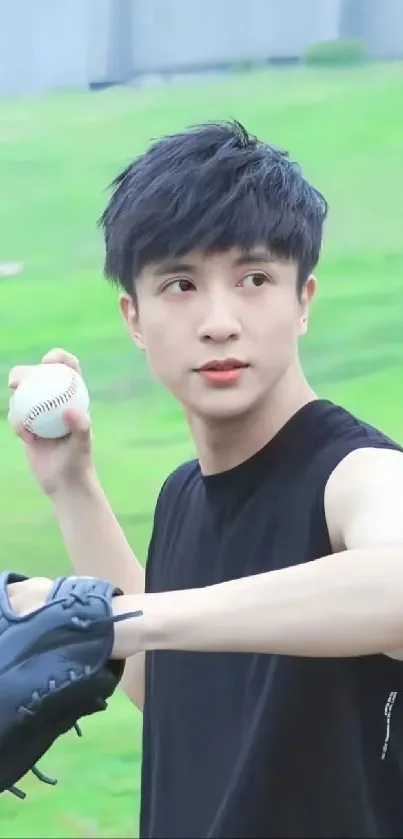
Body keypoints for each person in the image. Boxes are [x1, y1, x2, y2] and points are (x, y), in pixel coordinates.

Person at [8, 120, 403, 838]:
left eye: (254, 279)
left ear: (303, 300)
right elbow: (179, 691)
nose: (219, 322)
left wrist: (114, 620)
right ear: (134, 315)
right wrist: (71, 486)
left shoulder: (356, 475)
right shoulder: (183, 495)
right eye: (180, 284)